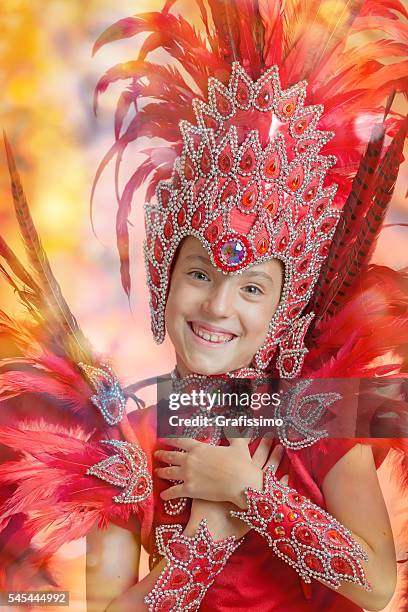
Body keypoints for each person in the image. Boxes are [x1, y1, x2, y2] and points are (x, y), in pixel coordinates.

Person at [0, 1, 407, 611]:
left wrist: (253, 493)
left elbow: (375, 587)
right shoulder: (127, 441)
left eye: (250, 288)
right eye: (200, 273)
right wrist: (202, 545)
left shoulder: (314, 416)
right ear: (166, 275)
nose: (218, 305)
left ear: (283, 307)